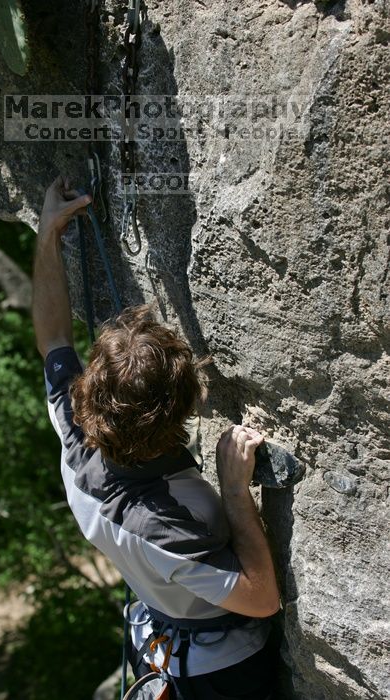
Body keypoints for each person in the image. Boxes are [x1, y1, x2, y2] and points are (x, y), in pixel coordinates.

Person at [33, 176, 281, 700]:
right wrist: (236, 493)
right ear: (185, 410)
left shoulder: (77, 442)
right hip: (219, 675)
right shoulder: (167, 525)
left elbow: (53, 338)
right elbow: (261, 600)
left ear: (90, 394)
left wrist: (48, 231)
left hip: (156, 639)